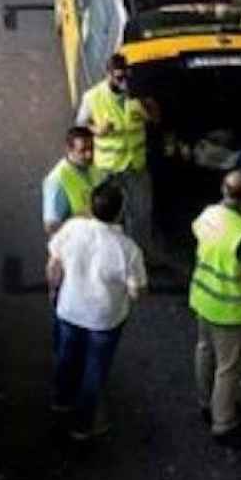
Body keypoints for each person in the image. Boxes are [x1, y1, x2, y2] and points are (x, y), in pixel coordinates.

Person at [47, 181, 146, 440]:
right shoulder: (128, 249)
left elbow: (54, 264)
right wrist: (132, 292)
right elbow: (137, 291)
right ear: (120, 212)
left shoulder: (72, 228)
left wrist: (53, 291)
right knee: (94, 369)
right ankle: (82, 424)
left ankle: (60, 401)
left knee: (66, 356)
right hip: (104, 319)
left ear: (91, 206)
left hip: (69, 308)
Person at [189, 170, 241, 451]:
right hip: (229, 310)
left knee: (204, 350)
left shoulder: (208, 214)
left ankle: (205, 402)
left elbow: (200, 235)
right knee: (228, 368)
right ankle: (223, 423)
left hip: (203, 298)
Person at [77, 53, 160, 238]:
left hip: (136, 166)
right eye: (118, 77)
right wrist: (97, 130)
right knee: (107, 214)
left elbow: (155, 118)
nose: (123, 82)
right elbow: (81, 125)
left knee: (141, 213)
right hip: (109, 169)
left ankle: (138, 252)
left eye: (126, 76)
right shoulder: (93, 97)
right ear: (108, 74)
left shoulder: (137, 94)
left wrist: (145, 102)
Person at [42, 126, 107, 236]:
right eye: (83, 150)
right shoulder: (56, 180)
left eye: (92, 148)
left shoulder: (95, 167)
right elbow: (51, 227)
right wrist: (87, 214)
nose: (89, 155)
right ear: (69, 150)